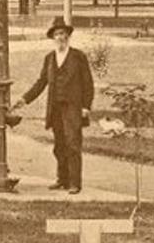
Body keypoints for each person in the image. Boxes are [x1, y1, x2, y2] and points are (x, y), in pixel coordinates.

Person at [11, 19, 94, 194]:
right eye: (56, 35)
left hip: (73, 107)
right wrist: (24, 99)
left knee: (73, 144)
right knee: (59, 146)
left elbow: (88, 83)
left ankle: (74, 183)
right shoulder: (49, 58)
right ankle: (62, 179)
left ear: (68, 36)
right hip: (55, 108)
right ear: (53, 38)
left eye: (63, 34)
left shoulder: (78, 56)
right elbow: (41, 82)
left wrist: (86, 106)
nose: (60, 37)